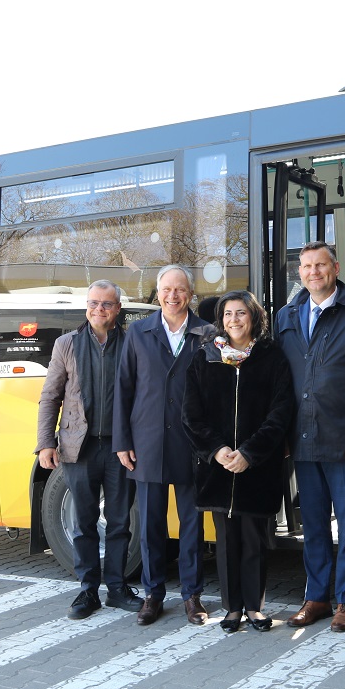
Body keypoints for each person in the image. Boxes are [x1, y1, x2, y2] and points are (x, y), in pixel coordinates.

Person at [275, 241, 345, 632]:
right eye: (306, 266)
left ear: (335, 268)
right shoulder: (287, 315)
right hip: (302, 438)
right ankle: (317, 598)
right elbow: (280, 381)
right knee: (314, 524)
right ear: (300, 273)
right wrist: (281, 433)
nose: (313, 272)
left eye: (320, 265)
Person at [182, 291, 295, 633]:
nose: (234, 319)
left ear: (254, 317)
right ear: (221, 319)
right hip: (217, 468)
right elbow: (191, 415)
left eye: (241, 313)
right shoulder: (205, 357)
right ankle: (232, 608)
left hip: (257, 468)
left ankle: (255, 608)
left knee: (254, 540)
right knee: (227, 542)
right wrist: (216, 450)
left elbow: (280, 412)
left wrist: (249, 453)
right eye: (228, 314)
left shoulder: (272, 357)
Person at [114, 264, 216, 626]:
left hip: (192, 444)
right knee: (151, 525)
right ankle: (153, 594)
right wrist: (122, 441)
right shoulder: (138, 332)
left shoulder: (207, 333)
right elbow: (124, 388)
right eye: (167, 289)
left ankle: (192, 595)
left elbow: (216, 390)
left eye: (180, 289)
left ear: (191, 294)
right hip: (148, 443)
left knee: (192, 526)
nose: (173, 296)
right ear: (157, 293)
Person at [35, 281, 143, 619]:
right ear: (86, 306)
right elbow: (51, 396)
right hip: (77, 448)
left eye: (107, 304)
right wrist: (45, 443)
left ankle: (117, 588)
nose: (99, 309)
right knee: (83, 522)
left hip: (119, 448)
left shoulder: (132, 343)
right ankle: (87, 591)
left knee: (119, 521)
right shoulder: (66, 344)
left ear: (118, 309)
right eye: (94, 303)